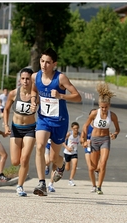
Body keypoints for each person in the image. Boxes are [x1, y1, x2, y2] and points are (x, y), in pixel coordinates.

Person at [30, 47, 82, 196]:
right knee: (39, 146)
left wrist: (61, 96)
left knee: (53, 158)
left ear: (54, 64)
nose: (44, 65)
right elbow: (34, 90)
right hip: (43, 119)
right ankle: (41, 183)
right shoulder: (35, 77)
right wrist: (34, 101)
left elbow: (78, 97)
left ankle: (61, 164)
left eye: (47, 62)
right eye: (42, 61)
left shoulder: (60, 78)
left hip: (59, 121)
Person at [81, 83, 120, 194]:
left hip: (105, 140)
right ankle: (95, 180)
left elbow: (117, 129)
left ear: (109, 105)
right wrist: (83, 138)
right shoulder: (94, 113)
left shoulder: (112, 116)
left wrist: (115, 134)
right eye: (102, 107)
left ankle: (99, 187)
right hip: (94, 140)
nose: (103, 109)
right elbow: (86, 125)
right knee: (93, 167)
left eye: (105, 107)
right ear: (99, 105)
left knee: (103, 163)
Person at [3, 68, 36, 196]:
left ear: (31, 80)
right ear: (19, 79)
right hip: (16, 128)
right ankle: (20, 183)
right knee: (15, 161)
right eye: (23, 78)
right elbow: (6, 109)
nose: (25, 81)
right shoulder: (13, 93)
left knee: (24, 159)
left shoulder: (36, 95)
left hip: (30, 129)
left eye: (28, 79)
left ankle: (20, 186)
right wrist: (6, 125)